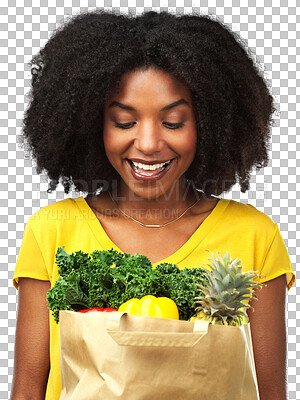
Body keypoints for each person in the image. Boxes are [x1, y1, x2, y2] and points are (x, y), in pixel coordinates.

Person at [10, 9, 295, 400]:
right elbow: (27, 394)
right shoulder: (52, 229)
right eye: (124, 122)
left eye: (173, 122)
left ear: (209, 124)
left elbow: (270, 394)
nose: (147, 143)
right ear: (93, 126)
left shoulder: (254, 236)